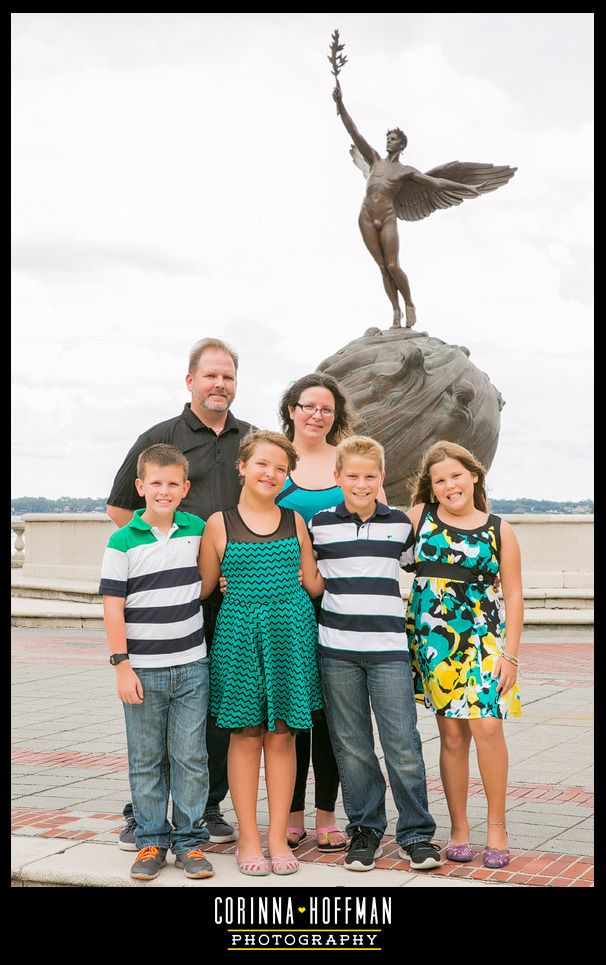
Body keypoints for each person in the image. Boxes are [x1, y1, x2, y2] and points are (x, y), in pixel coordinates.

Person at [106, 337, 252, 849]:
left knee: (213, 710)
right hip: (168, 608)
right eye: (210, 375)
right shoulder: (160, 438)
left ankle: (205, 809)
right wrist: (169, 561)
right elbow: (122, 508)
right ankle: (142, 814)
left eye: (228, 376)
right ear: (190, 381)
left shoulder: (250, 440)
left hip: (235, 601)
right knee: (153, 716)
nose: (220, 384)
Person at [309, 435, 440, 872]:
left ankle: (416, 833)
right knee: (352, 746)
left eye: (369, 476)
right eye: (352, 476)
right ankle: (364, 828)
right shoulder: (320, 525)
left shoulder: (401, 524)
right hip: (337, 651)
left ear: (381, 478)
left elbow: (422, 569)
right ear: (337, 477)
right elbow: (304, 574)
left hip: (388, 652)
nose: (361, 484)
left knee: (403, 743)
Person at [200, 430, 325, 876]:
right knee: (245, 734)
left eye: (280, 468)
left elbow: (313, 582)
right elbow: (206, 587)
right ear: (242, 466)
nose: (270, 473)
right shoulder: (219, 523)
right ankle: (248, 838)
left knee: (284, 734)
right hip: (238, 636)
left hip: (290, 633)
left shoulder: (295, 521)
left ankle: (278, 837)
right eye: (262, 464)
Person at [405, 441, 523, 869]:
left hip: (484, 638)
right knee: (453, 737)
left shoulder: (499, 529)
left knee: (488, 727)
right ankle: (458, 829)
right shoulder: (420, 518)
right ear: (431, 489)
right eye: (440, 480)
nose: (450, 485)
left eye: (456, 475)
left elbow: (512, 594)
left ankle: (497, 827)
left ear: (474, 475)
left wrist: (510, 656)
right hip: (435, 640)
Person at [100, 443, 214, 881]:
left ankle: (189, 841)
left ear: (184, 488)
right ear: (140, 486)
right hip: (142, 669)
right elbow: (113, 606)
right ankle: (151, 839)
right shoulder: (122, 539)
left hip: (191, 665)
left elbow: (203, 584)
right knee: (146, 758)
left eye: (172, 484)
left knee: (190, 757)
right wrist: (121, 665)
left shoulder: (196, 529)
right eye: (156, 484)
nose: (164, 491)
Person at [275, 373, 357, 854]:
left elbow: (378, 517)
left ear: (335, 416)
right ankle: (291, 813)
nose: (316, 415)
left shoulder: (346, 462)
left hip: (335, 605)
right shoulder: (274, 459)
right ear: (292, 409)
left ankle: (327, 815)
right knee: (290, 714)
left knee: (327, 717)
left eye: (326, 408)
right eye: (308, 406)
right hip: (281, 603)